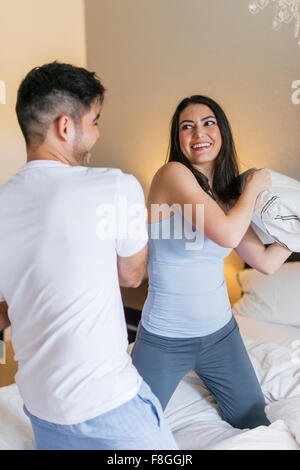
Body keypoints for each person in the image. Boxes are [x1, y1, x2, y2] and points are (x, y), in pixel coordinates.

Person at [0, 62, 178, 450]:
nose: (97, 134)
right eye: (94, 121)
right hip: (109, 407)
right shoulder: (114, 186)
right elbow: (132, 276)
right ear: (66, 127)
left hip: (42, 410)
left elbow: (5, 308)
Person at [131, 95, 293, 429]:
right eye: (186, 127)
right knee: (134, 428)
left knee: (255, 423)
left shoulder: (230, 199)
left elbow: (265, 262)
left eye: (208, 123)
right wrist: (253, 187)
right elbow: (228, 236)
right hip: (165, 339)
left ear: (222, 132)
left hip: (221, 336)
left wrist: (295, 231)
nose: (197, 133)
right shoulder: (171, 175)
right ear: (178, 140)